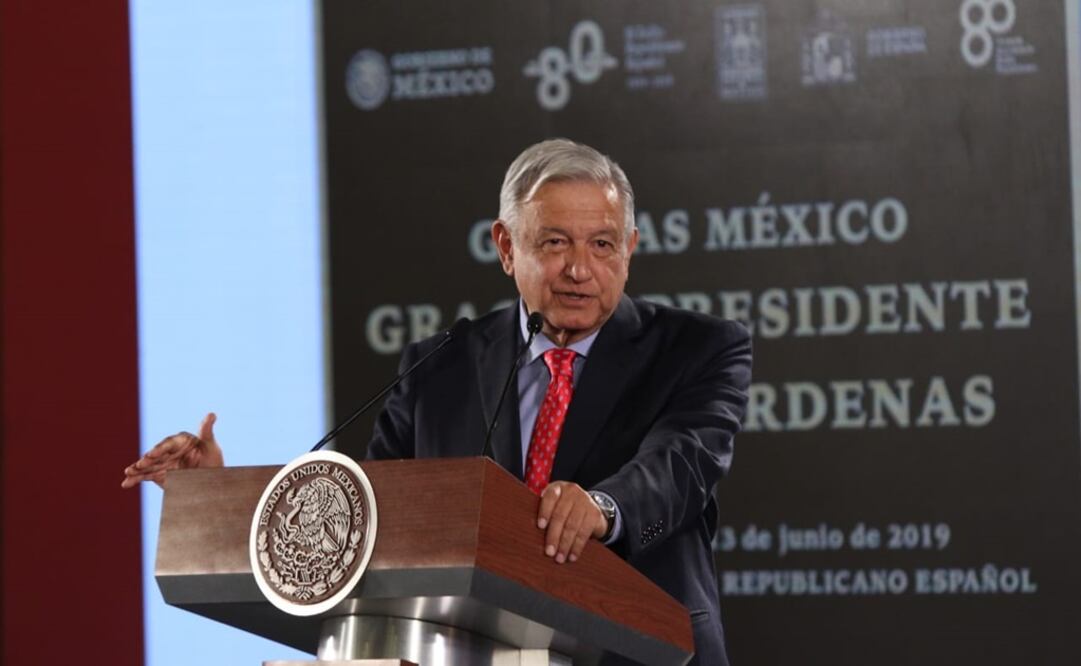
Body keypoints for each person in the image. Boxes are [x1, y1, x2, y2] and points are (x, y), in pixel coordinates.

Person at [123, 138, 752, 665]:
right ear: (506, 247)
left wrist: (602, 507)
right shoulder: (440, 365)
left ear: (631, 248)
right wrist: (220, 497)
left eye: (603, 245)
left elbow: (680, 464)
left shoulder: (700, 349)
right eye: (556, 243)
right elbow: (367, 521)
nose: (579, 270)